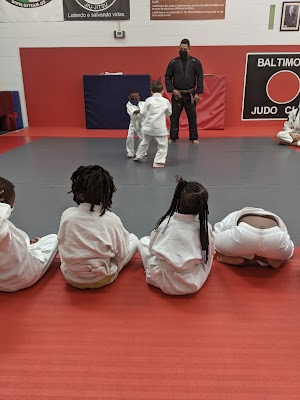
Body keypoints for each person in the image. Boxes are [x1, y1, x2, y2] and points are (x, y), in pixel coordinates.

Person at [58, 165, 139, 289]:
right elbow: (121, 255)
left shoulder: (67, 215)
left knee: (56, 239)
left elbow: (63, 244)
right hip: (102, 278)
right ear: (107, 193)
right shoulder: (112, 219)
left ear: (77, 192)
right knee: (133, 239)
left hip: (71, 277)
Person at [138, 177, 215, 295]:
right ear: (203, 207)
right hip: (191, 284)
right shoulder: (205, 229)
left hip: (161, 279)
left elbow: (151, 249)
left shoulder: (166, 223)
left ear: (178, 200)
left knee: (143, 241)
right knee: (208, 256)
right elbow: (208, 255)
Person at [0, 177, 58, 292]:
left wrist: (26, 244)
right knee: (54, 239)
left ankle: (29, 247)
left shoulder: (4, 226)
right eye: (12, 202)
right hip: (21, 277)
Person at [214, 207, 294, 268]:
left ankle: (242, 257)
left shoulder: (235, 214)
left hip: (244, 234)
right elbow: (285, 234)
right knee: (287, 249)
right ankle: (264, 259)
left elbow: (218, 230)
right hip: (274, 237)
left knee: (213, 241)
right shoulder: (273, 217)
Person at [165, 38, 204, 144]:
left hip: (190, 94)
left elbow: (200, 77)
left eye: (185, 49)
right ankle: (173, 137)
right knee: (174, 117)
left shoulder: (195, 62)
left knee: (192, 117)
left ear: (189, 49)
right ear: (178, 48)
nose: (183, 51)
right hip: (177, 94)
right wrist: (172, 90)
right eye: (181, 49)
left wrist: (198, 92)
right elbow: (168, 76)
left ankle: (193, 137)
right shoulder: (173, 62)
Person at [134, 81, 172, 168]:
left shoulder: (148, 100)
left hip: (148, 126)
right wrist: (163, 114)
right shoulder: (165, 101)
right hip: (159, 128)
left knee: (144, 141)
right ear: (162, 91)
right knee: (163, 145)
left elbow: (143, 113)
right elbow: (169, 113)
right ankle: (158, 162)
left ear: (151, 91)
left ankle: (138, 156)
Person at [126, 89, 145, 158]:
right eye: (132, 99)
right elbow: (135, 112)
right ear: (129, 98)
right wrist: (142, 111)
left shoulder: (143, 103)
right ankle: (130, 152)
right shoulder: (128, 105)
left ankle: (142, 151)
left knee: (142, 138)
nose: (134, 100)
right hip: (133, 125)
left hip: (141, 124)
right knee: (129, 137)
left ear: (139, 97)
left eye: (136, 98)